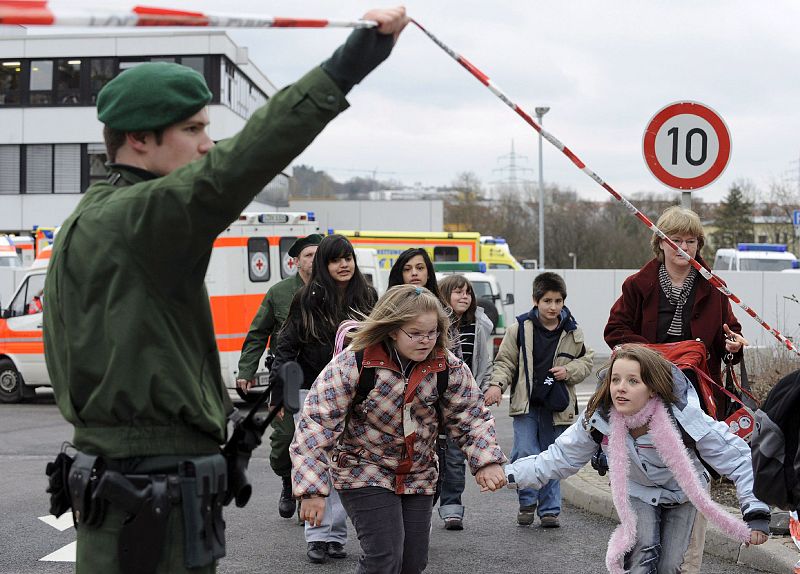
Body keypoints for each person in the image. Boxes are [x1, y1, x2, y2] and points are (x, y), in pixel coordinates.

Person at [41, 8, 409, 573]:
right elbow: (250, 155)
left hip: (130, 486)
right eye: (192, 130)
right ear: (138, 138)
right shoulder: (143, 216)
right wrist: (355, 57)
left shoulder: (89, 219)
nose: (208, 144)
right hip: (151, 495)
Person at [291, 284, 508, 574]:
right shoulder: (354, 363)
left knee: (412, 562)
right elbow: (316, 423)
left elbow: (470, 414)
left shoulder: (446, 366)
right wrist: (312, 490)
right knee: (385, 556)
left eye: (431, 333)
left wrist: (487, 461)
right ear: (393, 329)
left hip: (418, 473)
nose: (425, 341)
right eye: (415, 334)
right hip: (363, 468)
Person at [504, 344, 770, 574]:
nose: (621, 389)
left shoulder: (683, 416)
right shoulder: (600, 418)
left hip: (684, 494)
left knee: (670, 566)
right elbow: (560, 458)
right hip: (638, 492)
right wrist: (509, 474)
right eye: (615, 379)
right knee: (642, 553)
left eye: (633, 381)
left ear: (652, 389)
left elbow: (738, 458)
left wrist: (756, 513)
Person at [603, 205, 748, 572]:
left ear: (700, 244)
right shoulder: (638, 285)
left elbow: (727, 338)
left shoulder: (714, 287)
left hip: (696, 398)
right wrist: (658, 358)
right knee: (647, 472)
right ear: (660, 243)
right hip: (646, 396)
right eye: (675, 240)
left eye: (691, 241)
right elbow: (615, 332)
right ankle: (642, 554)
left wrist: (732, 345)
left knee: (695, 473)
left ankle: (688, 566)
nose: (683, 247)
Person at [270, 233, 377, 564]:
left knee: (344, 465)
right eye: (335, 259)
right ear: (322, 265)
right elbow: (284, 347)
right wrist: (280, 394)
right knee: (316, 462)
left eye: (347, 258)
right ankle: (317, 537)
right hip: (312, 393)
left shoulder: (368, 296)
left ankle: (335, 536)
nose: (343, 265)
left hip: (356, 395)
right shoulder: (306, 298)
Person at [484, 272, 594, 528]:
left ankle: (550, 510)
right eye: (547, 301)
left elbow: (586, 362)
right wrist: (496, 386)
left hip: (557, 406)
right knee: (525, 452)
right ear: (536, 300)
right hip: (527, 404)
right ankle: (527, 500)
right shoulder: (519, 329)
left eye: (558, 301)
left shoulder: (572, 331)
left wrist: (569, 371)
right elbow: (505, 362)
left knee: (553, 457)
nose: (553, 307)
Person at [236, 233, 322, 519]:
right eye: (308, 255)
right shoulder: (280, 292)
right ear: (295, 261)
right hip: (286, 376)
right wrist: (247, 370)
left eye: (319, 254)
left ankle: (309, 498)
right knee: (284, 441)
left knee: (321, 442)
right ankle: (287, 480)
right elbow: (258, 333)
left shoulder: (335, 291)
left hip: (323, 379)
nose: (314, 259)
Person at [435, 274, 494, 530]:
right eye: (457, 292)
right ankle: (422, 505)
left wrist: (486, 389)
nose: (464, 297)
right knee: (433, 457)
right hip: (434, 403)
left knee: (456, 459)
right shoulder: (436, 326)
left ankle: (452, 508)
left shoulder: (477, 326)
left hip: (463, 402)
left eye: (467, 293)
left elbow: (484, 363)